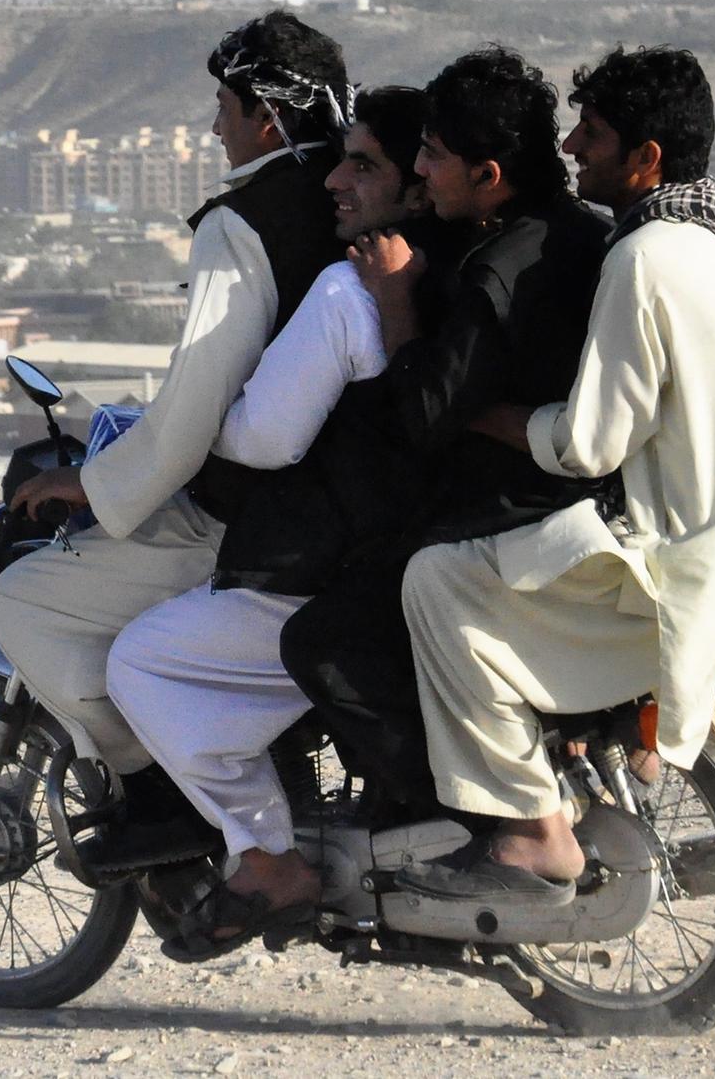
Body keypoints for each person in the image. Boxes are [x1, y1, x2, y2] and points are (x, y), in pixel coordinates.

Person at [395, 46, 715, 908]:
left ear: (646, 158)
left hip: (695, 547)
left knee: (437, 581)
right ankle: (622, 754)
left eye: (591, 134)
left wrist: (483, 414)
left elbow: (587, 444)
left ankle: (530, 831)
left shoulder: (644, 256)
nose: (570, 148)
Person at [0, 10, 348, 859]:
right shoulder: (354, 196)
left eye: (224, 107)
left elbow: (194, 410)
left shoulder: (243, 222)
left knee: (26, 601)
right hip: (349, 497)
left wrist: (93, 484)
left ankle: (159, 797)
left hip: (254, 517)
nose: (215, 128)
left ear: (267, 118)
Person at [97, 87, 429, 940]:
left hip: (342, 567)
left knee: (143, 661)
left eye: (364, 167)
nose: (336, 183)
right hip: (428, 552)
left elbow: (263, 438)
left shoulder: (347, 292)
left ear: (418, 180)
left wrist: (195, 422)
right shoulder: (467, 270)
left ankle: (266, 859)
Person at [274, 45, 614, 860]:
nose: (421, 174)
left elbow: (426, 413)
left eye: (432, 156)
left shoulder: (497, 271)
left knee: (325, 641)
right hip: (578, 502)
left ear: (488, 174)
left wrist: (395, 300)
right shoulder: (581, 234)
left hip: (504, 514)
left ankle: (481, 825)